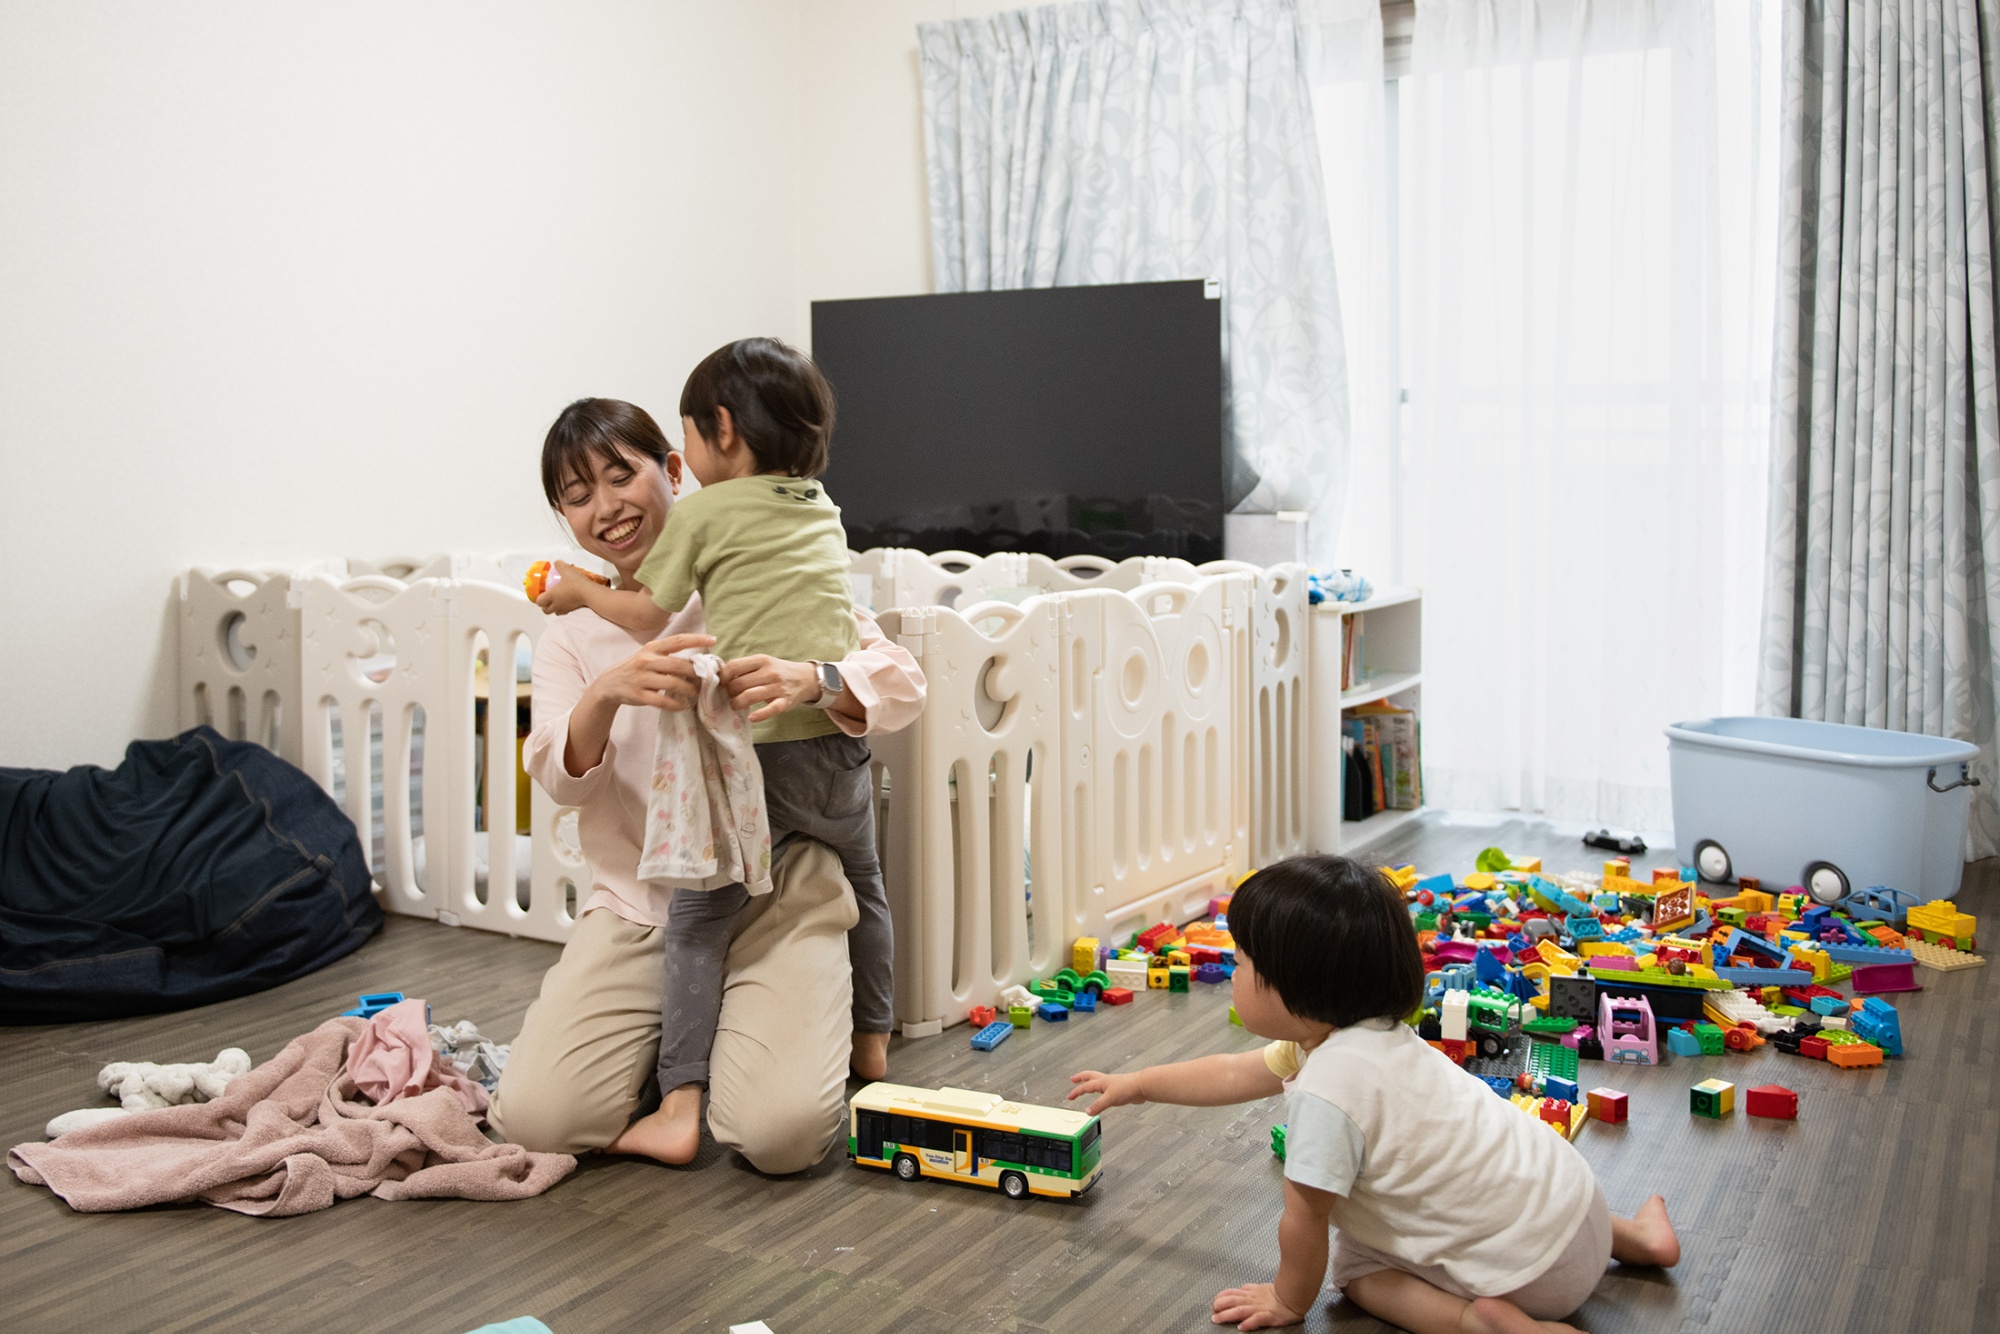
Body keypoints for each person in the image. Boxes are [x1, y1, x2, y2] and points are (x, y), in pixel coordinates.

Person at [489, 396, 923, 1172]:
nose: (605, 508)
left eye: (620, 476)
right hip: (643, 905)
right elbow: (560, 778)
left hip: (775, 893)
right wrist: (606, 693)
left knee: (780, 1136)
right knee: (536, 1119)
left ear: (674, 472)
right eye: (578, 496)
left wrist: (815, 678)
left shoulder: (756, 581)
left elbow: (899, 679)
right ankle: (682, 1043)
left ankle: (727, 1038)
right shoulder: (571, 636)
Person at [1067, 856, 1681, 1334]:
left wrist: (1287, 1299)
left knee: (1356, 1270)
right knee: (1509, 1180)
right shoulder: (1375, 1034)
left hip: (1527, 1280)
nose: (1231, 972)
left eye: (1242, 962)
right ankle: (1640, 1241)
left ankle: (1475, 1322)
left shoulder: (1326, 1093)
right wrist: (1139, 1085)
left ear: (1295, 987)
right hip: (1578, 1208)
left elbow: (1304, 1218)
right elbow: (1231, 1073)